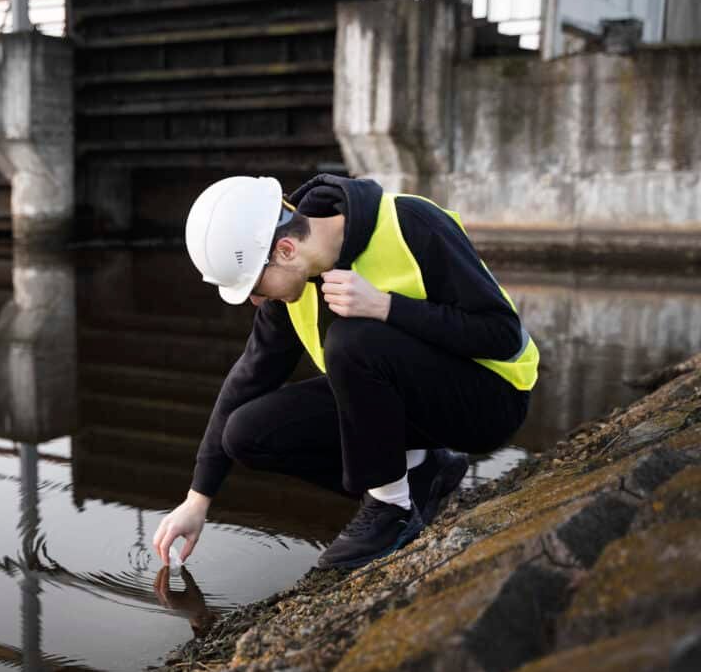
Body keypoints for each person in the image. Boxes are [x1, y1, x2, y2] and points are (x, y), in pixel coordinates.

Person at [152, 174, 538, 570]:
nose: (254, 300)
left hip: (491, 400)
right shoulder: (293, 285)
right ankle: (421, 473)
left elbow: (501, 334)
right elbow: (248, 378)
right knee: (246, 433)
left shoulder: (411, 222)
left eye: (255, 286)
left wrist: (386, 307)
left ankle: (391, 510)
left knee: (350, 340)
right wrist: (197, 499)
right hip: (416, 409)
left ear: (285, 249)